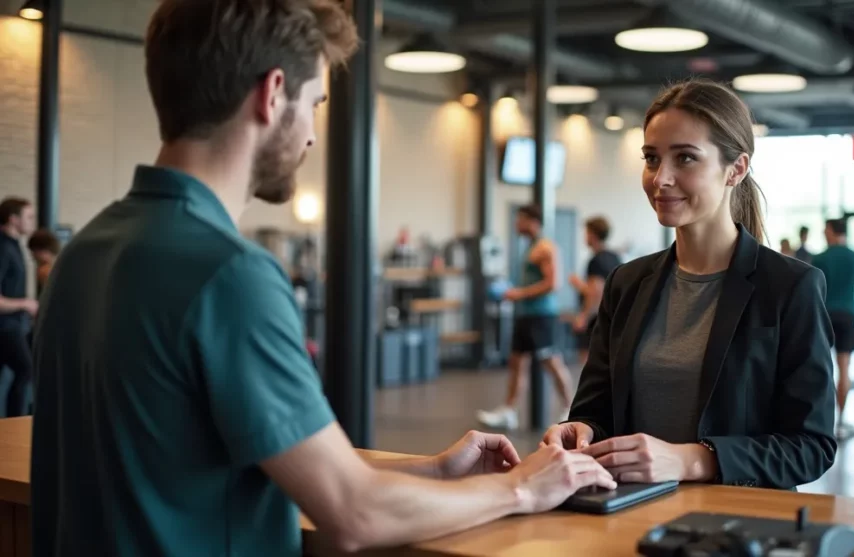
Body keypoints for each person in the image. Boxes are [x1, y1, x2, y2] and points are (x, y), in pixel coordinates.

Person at [29, 3, 614, 556]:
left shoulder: (84, 252)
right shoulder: (231, 274)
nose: (311, 134)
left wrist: (434, 471)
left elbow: (232, 460)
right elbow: (354, 513)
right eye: (315, 103)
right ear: (273, 93)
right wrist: (525, 489)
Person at [542, 79, 837, 491]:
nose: (661, 178)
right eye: (651, 158)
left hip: (735, 526)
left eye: (685, 158)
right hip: (629, 514)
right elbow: (595, 412)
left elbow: (811, 446)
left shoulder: (790, 287)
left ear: (736, 169)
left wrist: (692, 459)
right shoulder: (626, 284)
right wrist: (578, 430)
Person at [477, 205, 575, 429]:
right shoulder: (529, 246)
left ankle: (571, 408)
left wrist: (518, 293)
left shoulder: (544, 248)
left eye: (520, 220)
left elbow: (553, 283)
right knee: (516, 362)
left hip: (541, 316)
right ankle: (509, 411)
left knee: (551, 362)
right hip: (525, 315)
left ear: (532, 221)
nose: (516, 224)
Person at [812, 218, 854, 442]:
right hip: (848, 316)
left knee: (821, 368)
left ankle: (822, 422)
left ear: (832, 232)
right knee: (844, 368)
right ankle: (840, 421)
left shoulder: (820, 258)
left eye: (825, 230)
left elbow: (810, 290)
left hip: (824, 316)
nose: (823, 234)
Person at [0, 197, 37, 418]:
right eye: (29, 217)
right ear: (13, 219)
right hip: (6, 327)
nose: (32, 222)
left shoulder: (14, 246)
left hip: (13, 325)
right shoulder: (4, 248)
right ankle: (16, 427)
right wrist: (26, 303)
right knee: (26, 369)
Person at [569, 216, 621, 363]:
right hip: (614, 316)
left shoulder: (596, 260)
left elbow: (595, 292)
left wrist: (583, 317)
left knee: (588, 363)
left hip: (597, 319)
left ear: (593, 234)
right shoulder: (614, 257)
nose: (584, 237)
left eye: (586, 233)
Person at [27, 228, 61, 292]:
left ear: (44, 251)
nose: (32, 256)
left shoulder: (45, 270)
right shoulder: (59, 266)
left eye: (34, 252)